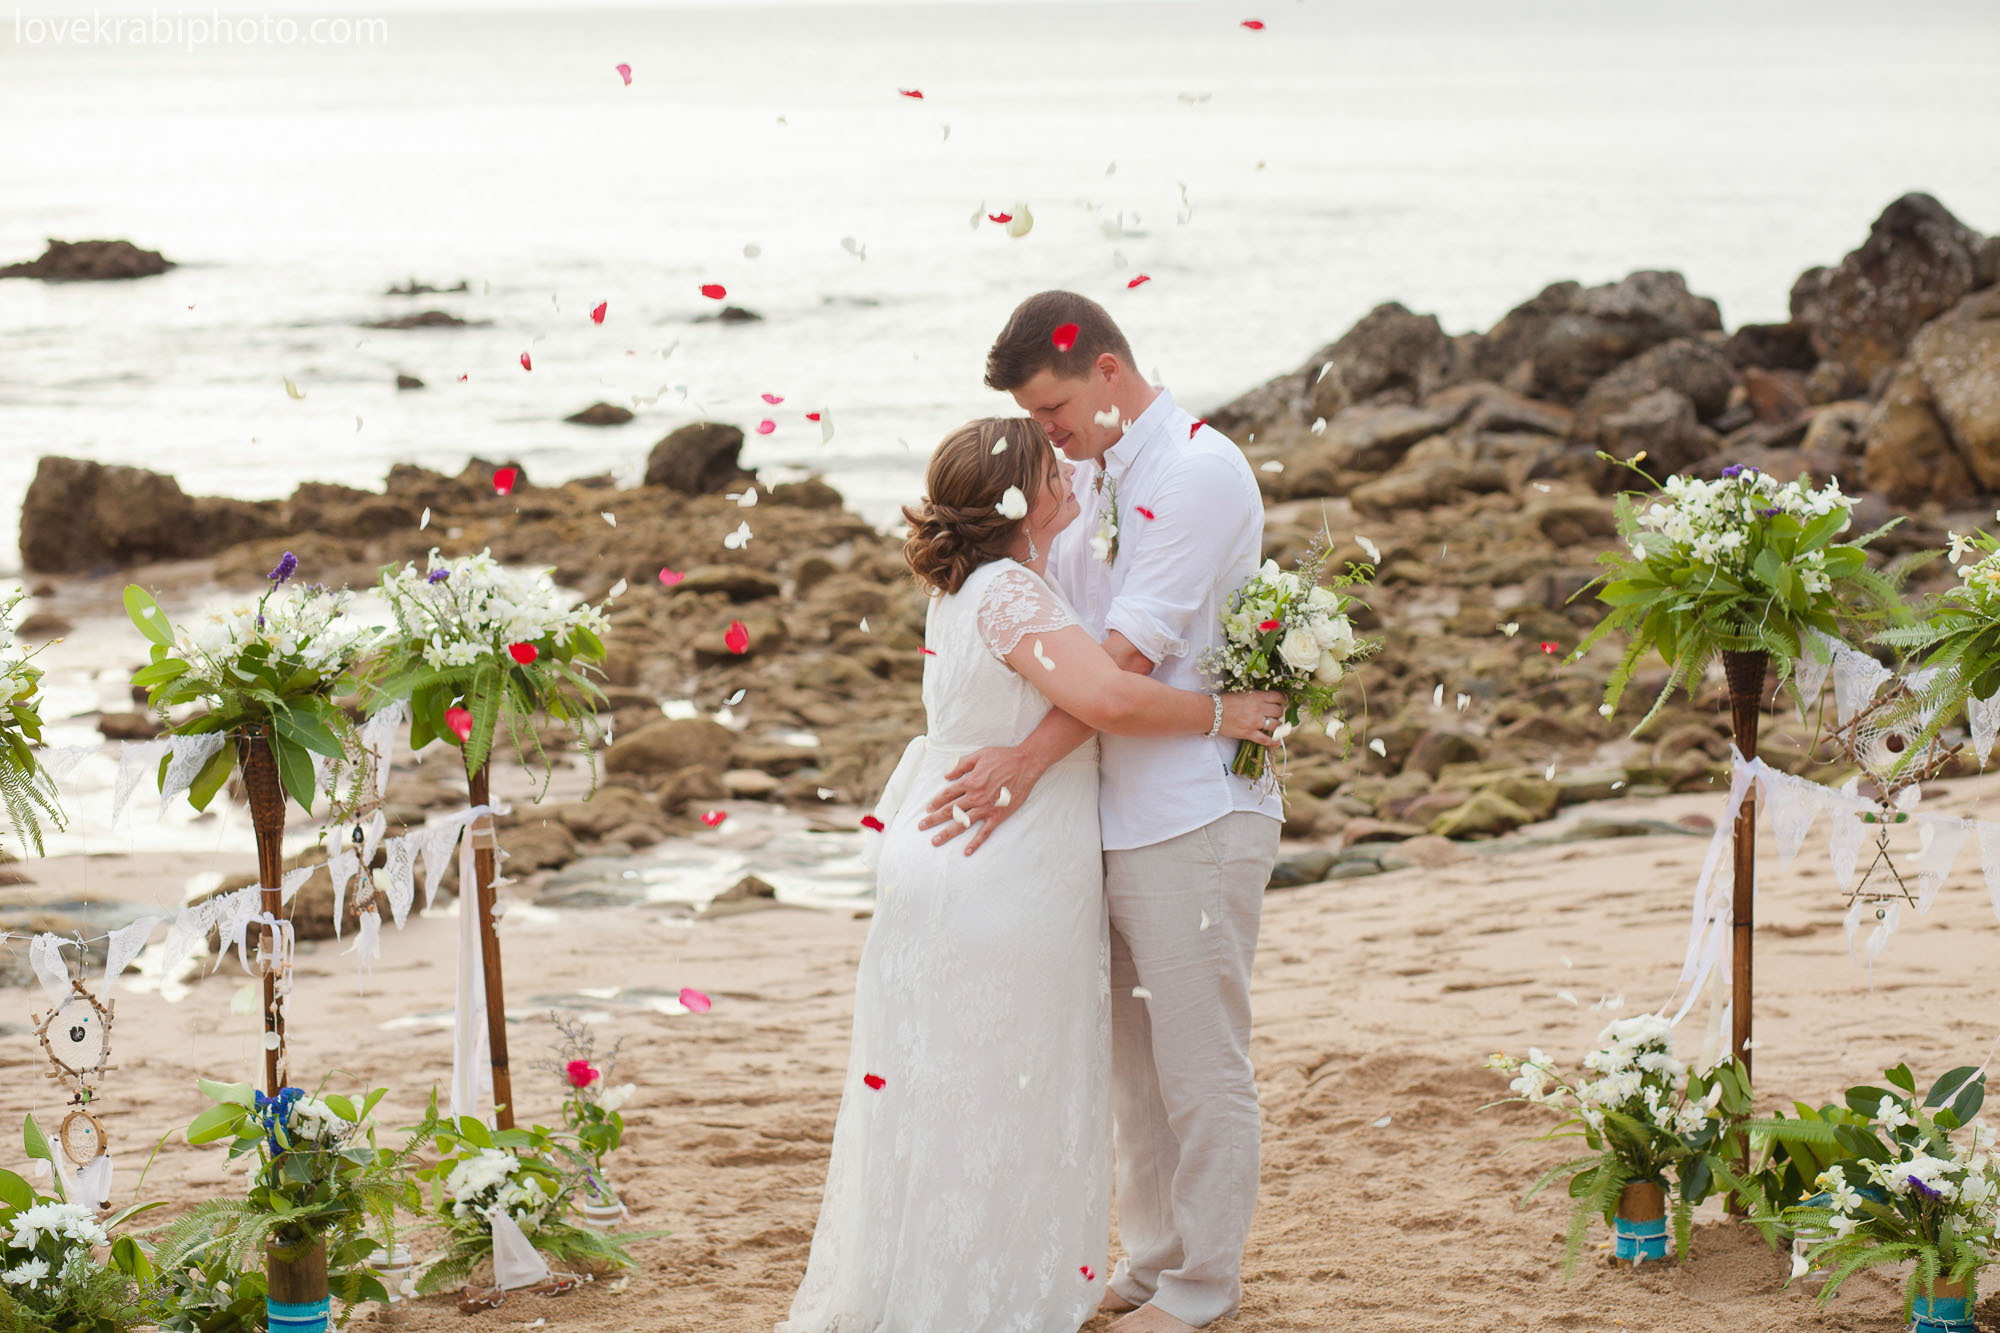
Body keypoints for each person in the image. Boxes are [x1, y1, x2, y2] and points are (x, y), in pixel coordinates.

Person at [777, 415, 1283, 1333]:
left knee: (952, 1090)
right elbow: (1110, 696)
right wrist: (1225, 713)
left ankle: (940, 1284)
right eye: (1052, 467)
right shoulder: (1012, 592)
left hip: (952, 853)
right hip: (997, 868)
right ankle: (985, 1297)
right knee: (1007, 1090)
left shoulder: (967, 590)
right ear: (1020, 499)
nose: (1069, 474)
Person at [917, 292, 1282, 1333]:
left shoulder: (1197, 472)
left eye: (1053, 409)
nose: (1046, 432)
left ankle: (1203, 1283)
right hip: (1100, 813)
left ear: (1107, 372)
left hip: (1191, 808)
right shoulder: (1083, 471)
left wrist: (1024, 760)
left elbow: (1123, 657)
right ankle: (1154, 1258)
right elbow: (1057, 622)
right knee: (1132, 1071)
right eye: (1036, 418)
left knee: (1199, 1064)